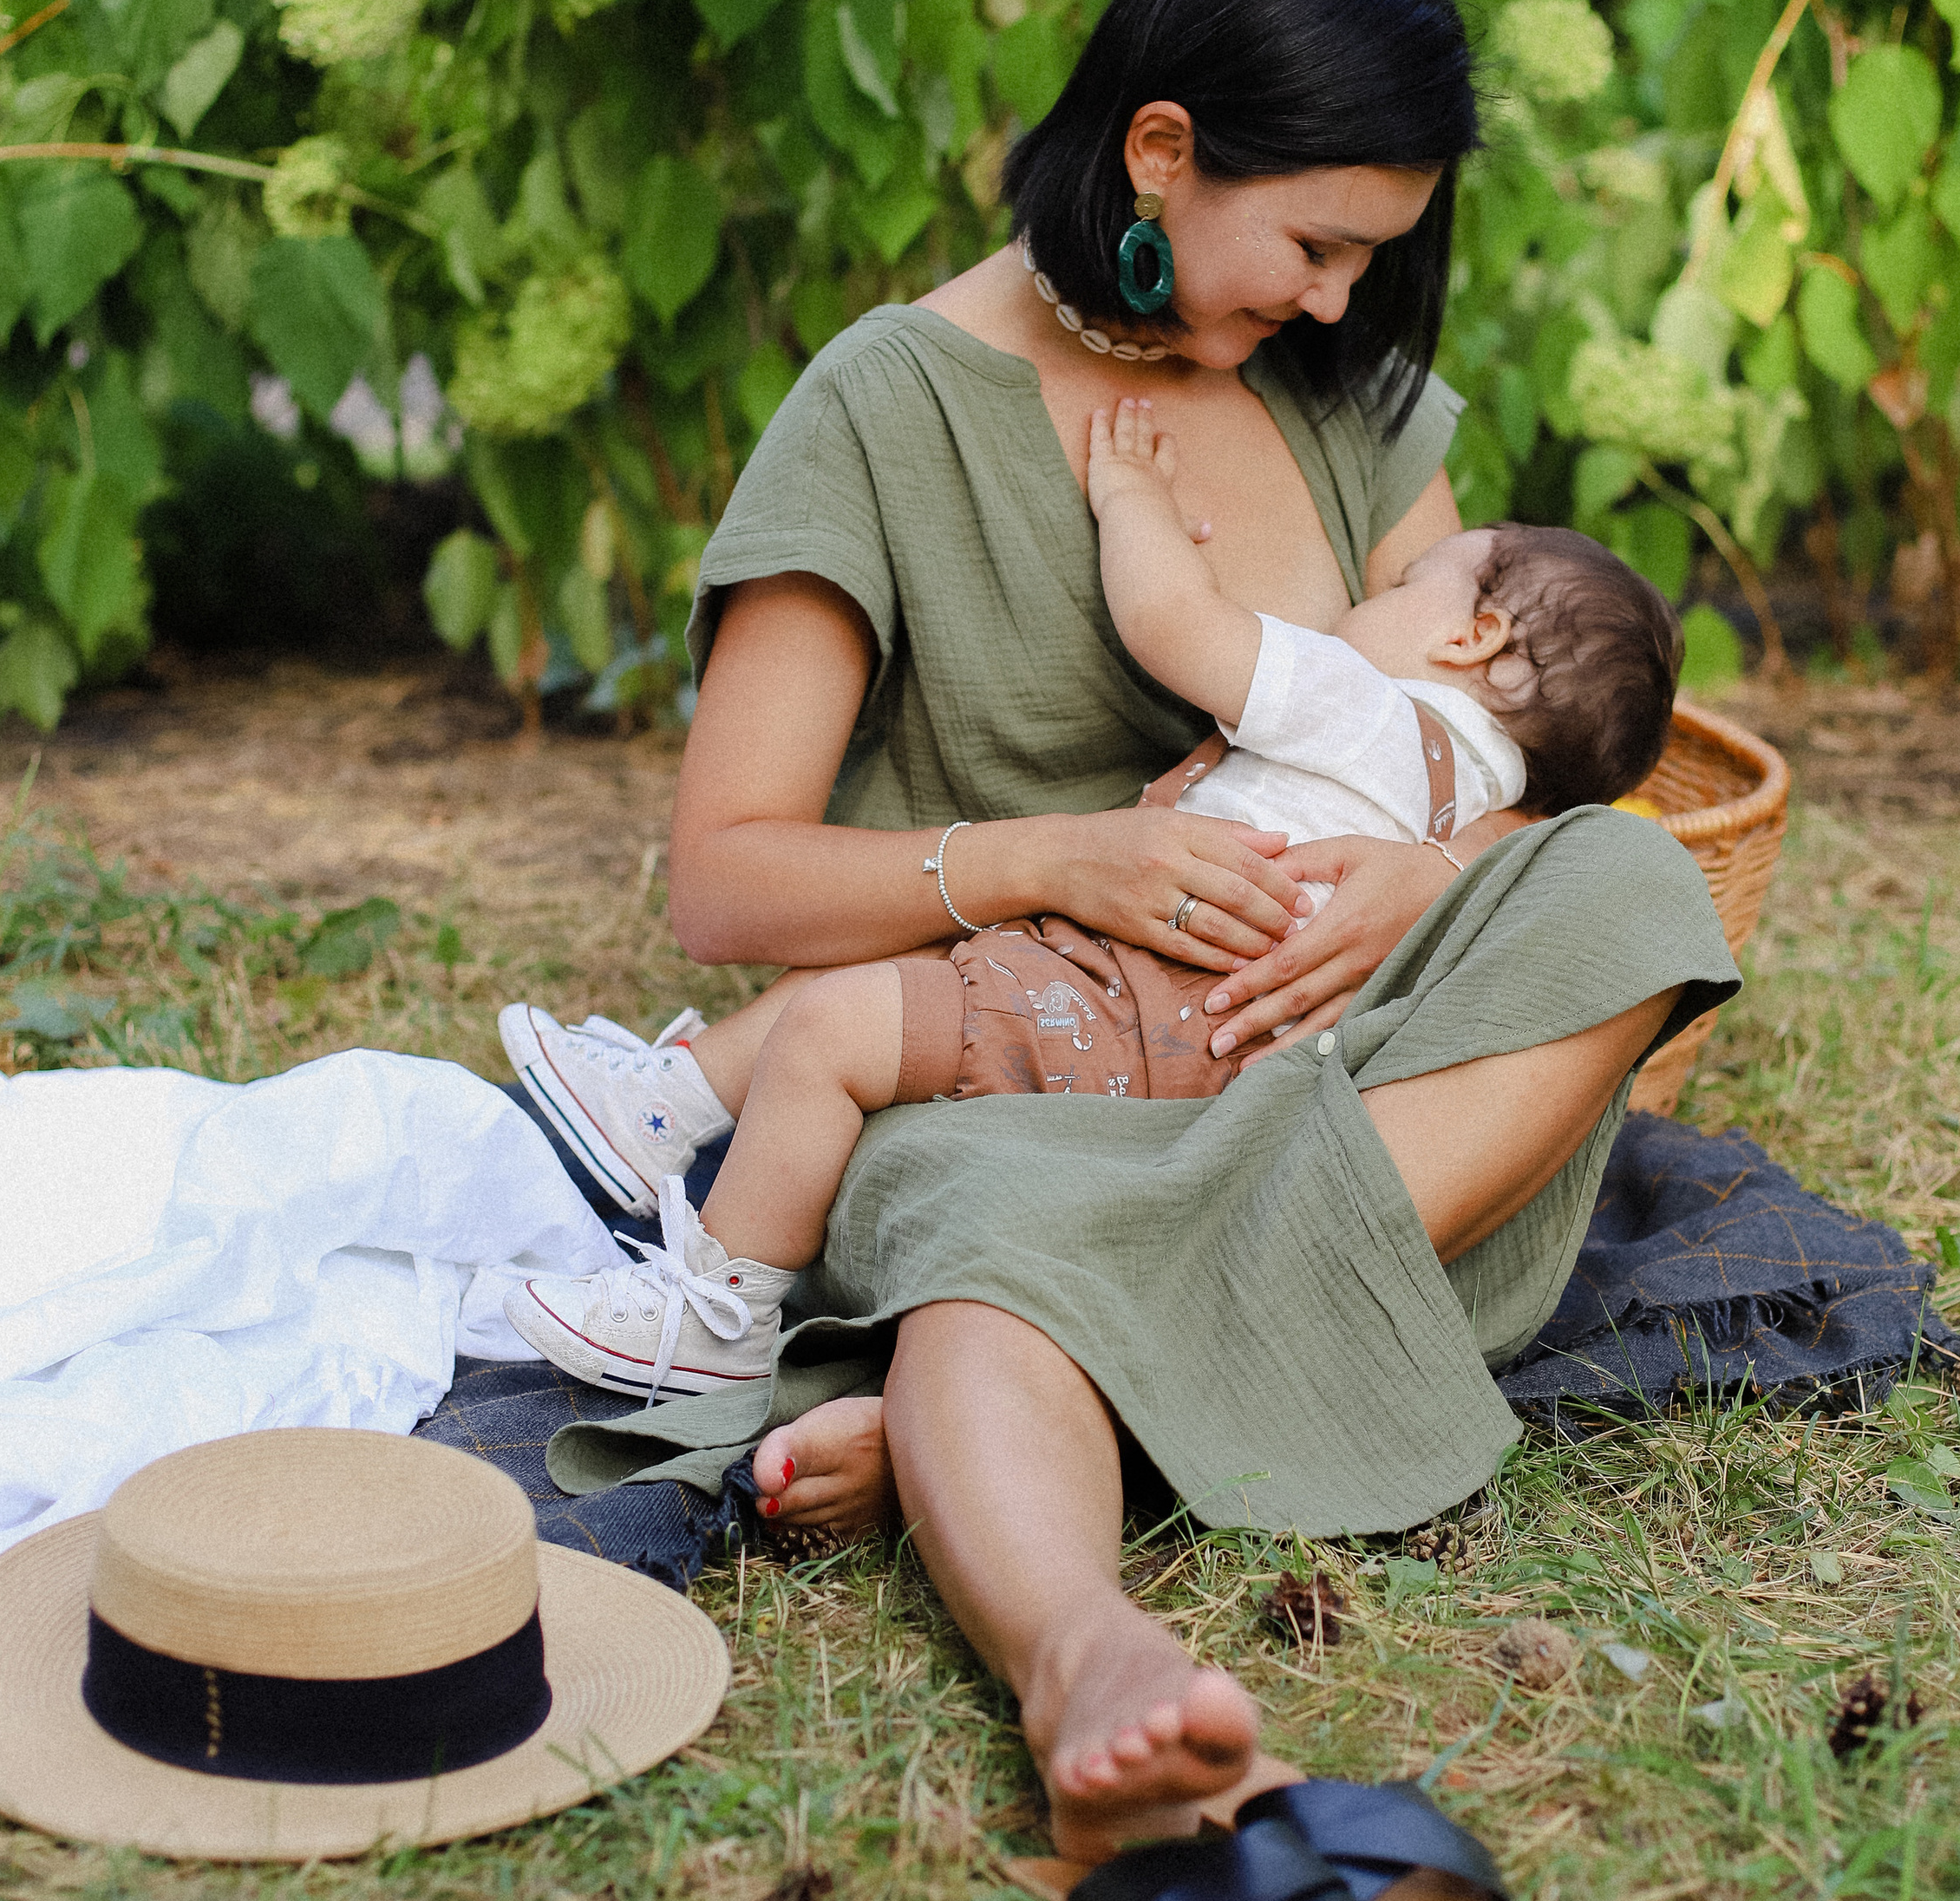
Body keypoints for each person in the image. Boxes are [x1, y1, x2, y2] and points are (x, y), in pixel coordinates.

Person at [501, 0, 1738, 1870]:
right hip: (1007, 1074)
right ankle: (1086, 1652)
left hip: (1313, 1063)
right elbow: (725, 886)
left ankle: (1014, 1397)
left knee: (1625, 887)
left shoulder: (1341, 394)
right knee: (993, 1242)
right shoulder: (886, 413)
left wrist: (1421, 882)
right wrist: (1058, 855)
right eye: (1316, 243)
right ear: (1158, 153)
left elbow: (1490, 749)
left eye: (1373, 254)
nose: (1342, 303)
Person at [503, 404, 1684, 1401]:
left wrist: (1133, 503)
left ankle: (714, 1313)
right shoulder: (1479, 808)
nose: (1366, 606)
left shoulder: (1364, 704)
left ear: (1470, 634)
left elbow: (1177, 627)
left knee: (833, 1032)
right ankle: (658, 1110)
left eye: (1413, 583)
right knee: (898, 976)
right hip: (1208, 1047)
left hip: (1130, 1001)